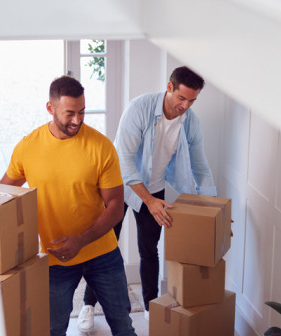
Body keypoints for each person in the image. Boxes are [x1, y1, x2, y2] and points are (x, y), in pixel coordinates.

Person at [0, 75, 136, 336]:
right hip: (54, 257)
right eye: (70, 113)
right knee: (52, 329)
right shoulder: (28, 147)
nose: (77, 120)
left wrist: (80, 241)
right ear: (50, 108)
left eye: (82, 112)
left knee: (122, 324)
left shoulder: (101, 146)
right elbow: (4, 194)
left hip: (102, 253)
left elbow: (116, 206)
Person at [113, 66, 217, 318]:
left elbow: (200, 167)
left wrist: (216, 212)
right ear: (169, 87)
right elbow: (124, 161)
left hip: (154, 188)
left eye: (192, 100)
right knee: (104, 247)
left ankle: (150, 306)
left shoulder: (190, 121)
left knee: (149, 250)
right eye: (182, 98)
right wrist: (148, 201)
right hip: (119, 186)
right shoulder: (138, 109)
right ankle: (88, 305)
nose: (185, 105)